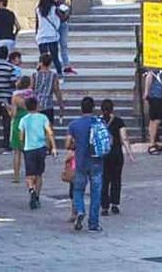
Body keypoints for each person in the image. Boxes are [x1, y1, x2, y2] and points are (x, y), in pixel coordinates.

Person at [66, 96, 103, 233]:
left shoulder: (74, 125)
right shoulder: (99, 123)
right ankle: (93, 224)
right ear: (93, 108)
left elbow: (67, 144)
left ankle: (80, 210)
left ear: (81, 108)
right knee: (96, 193)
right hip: (97, 161)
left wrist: (76, 144)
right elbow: (108, 140)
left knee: (78, 189)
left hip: (81, 161)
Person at [17, 94, 55, 209]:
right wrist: (52, 146)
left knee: (29, 174)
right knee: (39, 174)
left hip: (29, 148)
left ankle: (31, 190)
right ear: (37, 106)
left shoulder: (24, 119)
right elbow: (49, 132)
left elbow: (21, 136)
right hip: (40, 147)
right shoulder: (43, 118)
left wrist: (22, 145)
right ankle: (37, 196)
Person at [100, 98, 132, 216]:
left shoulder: (98, 121)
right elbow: (124, 138)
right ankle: (115, 204)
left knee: (104, 180)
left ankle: (104, 206)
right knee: (116, 179)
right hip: (116, 154)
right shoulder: (118, 121)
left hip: (102, 154)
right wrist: (130, 153)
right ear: (113, 108)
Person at [43, 0, 75, 74]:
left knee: (64, 44)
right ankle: (53, 66)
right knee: (53, 46)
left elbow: (68, 3)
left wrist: (63, 2)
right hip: (53, 21)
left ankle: (66, 65)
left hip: (62, 20)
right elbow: (44, 4)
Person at [9, 75, 33, 184]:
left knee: (17, 152)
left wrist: (7, 108)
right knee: (28, 151)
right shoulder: (31, 95)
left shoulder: (15, 96)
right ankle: (30, 173)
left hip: (18, 124)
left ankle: (16, 176)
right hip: (29, 123)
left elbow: (13, 114)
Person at [32, 51, 63, 126]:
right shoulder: (53, 75)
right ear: (50, 63)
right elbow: (57, 90)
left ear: (40, 62)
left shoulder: (35, 75)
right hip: (48, 104)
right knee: (48, 127)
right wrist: (60, 103)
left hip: (36, 105)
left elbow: (31, 89)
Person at [35, 0, 63, 76]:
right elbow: (63, 18)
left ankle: (40, 75)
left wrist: (36, 33)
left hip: (42, 35)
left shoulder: (38, 9)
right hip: (52, 35)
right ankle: (59, 75)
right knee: (55, 58)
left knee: (42, 58)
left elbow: (37, 23)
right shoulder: (54, 9)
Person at [143, 70, 162, 153]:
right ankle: (152, 144)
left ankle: (153, 142)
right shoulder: (157, 67)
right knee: (156, 120)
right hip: (157, 95)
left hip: (158, 95)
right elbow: (150, 76)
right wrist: (146, 92)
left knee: (153, 119)